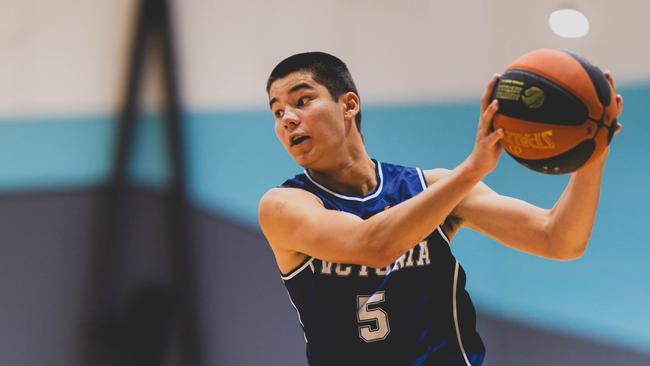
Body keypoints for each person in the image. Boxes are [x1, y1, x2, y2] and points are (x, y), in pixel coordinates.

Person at [258, 52, 622, 366]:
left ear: (349, 104)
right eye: (277, 112)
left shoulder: (431, 188)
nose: (287, 118)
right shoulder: (284, 206)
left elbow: (558, 238)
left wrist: (594, 150)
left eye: (302, 100)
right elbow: (373, 246)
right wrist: (474, 168)